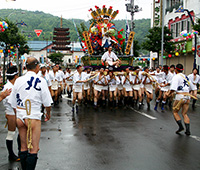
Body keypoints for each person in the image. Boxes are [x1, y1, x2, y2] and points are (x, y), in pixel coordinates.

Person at [8, 57, 53, 170]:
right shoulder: (41, 80)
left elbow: (13, 102)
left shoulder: (18, 80)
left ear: (25, 67)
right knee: (34, 149)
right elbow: (47, 103)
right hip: (33, 116)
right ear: (37, 67)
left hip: (20, 116)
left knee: (23, 147)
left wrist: (18, 114)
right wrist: (48, 113)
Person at [168, 64, 196, 136]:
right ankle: (188, 130)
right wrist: (194, 94)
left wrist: (169, 94)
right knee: (184, 114)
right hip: (187, 96)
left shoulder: (176, 77)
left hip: (180, 96)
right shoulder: (186, 77)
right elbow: (193, 88)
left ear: (176, 70)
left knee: (175, 112)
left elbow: (173, 88)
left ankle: (180, 127)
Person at [2, 66, 20, 161]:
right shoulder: (9, 87)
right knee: (12, 133)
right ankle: (11, 154)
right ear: (15, 76)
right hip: (11, 113)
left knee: (20, 132)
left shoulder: (12, 86)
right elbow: (12, 104)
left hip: (13, 112)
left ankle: (20, 151)